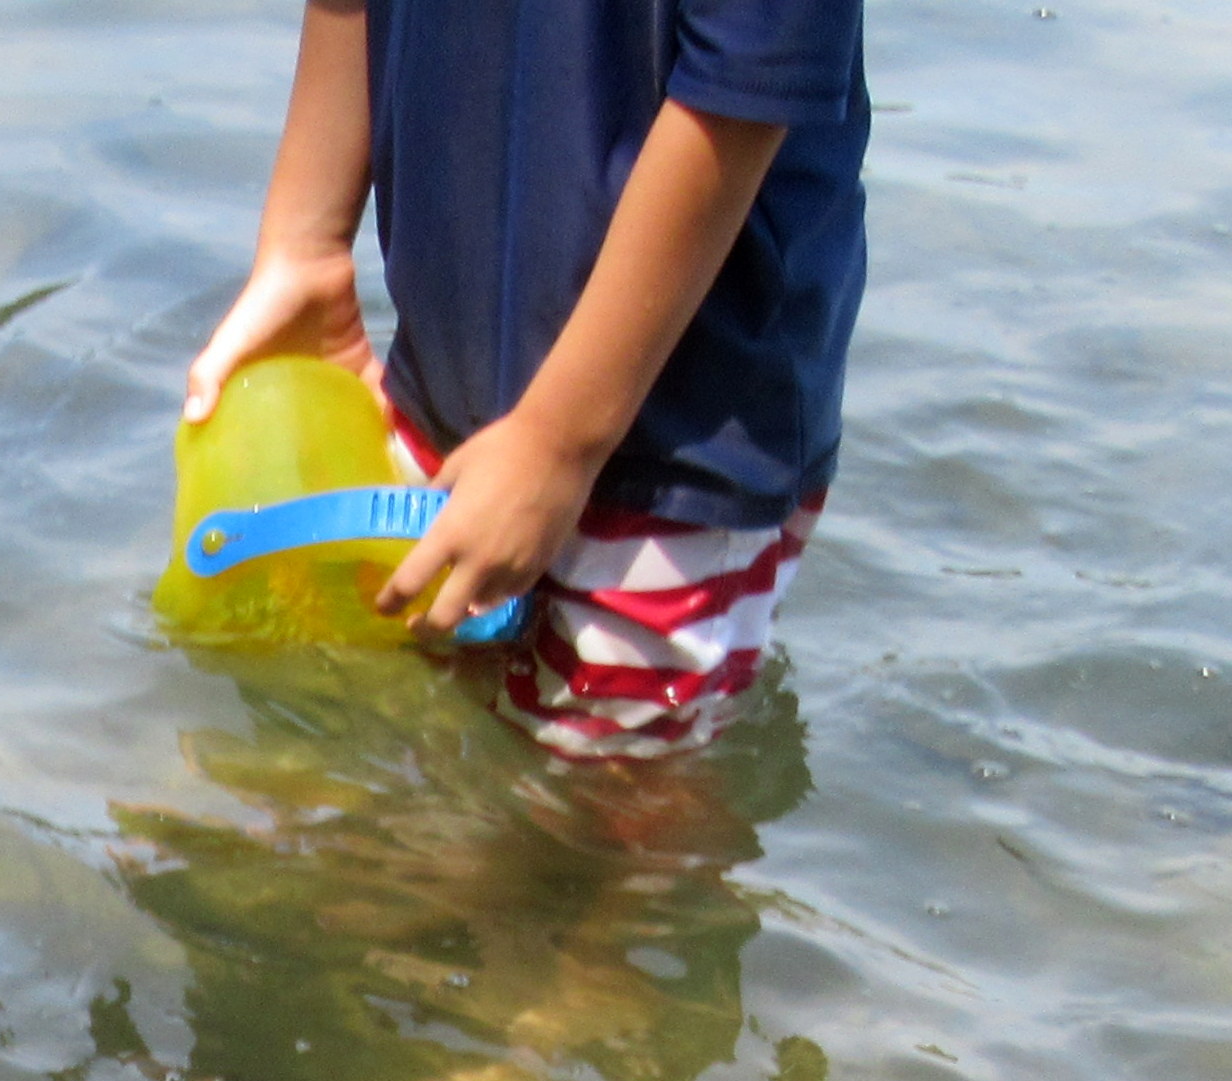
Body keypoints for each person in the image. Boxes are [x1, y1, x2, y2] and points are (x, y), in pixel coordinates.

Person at [182, 0, 869, 757]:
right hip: (447, 370)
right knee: (428, 733)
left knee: (617, 806)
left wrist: (559, 441)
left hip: (676, 437)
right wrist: (306, 241)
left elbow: (746, 84)